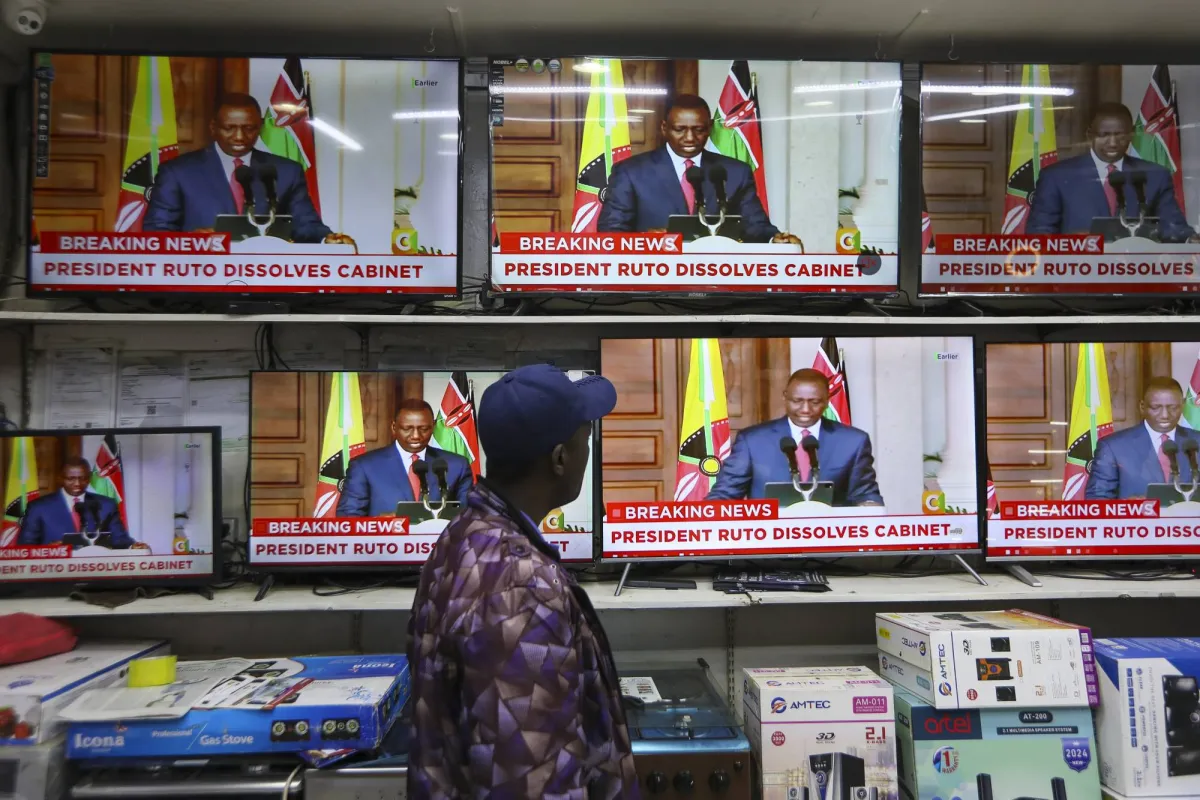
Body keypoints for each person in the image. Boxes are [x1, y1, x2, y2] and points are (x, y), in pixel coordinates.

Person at [408, 364, 638, 798]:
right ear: (560, 458)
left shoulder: (464, 531)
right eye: (586, 440)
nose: (588, 452)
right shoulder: (520, 586)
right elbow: (531, 779)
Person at [142, 93, 355, 245]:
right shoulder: (177, 172)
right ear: (213, 127)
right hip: (201, 278)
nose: (239, 137)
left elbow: (306, 224)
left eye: (249, 128)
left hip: (263, 279)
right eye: (229, 128)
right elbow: (155, 233)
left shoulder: (286, 172)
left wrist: (326, 239)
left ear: (260, 127)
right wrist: (191, 241)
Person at [597, 94, 801, 245]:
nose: (689, 138)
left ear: (709, 127)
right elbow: (610, 233)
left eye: (698, 130)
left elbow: (755, 225)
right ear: (664, 128)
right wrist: (645, 241)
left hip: (715, 276)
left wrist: (774, 239)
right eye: (680, 129)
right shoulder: (631, 172)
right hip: (655, 275)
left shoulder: (735, 172)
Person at [707, 368, 884, 505]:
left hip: (831, 537)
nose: (805, 409)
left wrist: (871, 507)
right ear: (785, 397)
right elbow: (724, 496)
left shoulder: (853, 442)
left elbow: (865, 495)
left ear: (827, 400)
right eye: (797, 401)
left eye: (815, 402)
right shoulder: (752, 441)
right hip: (768, 537)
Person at [1026, 103, 1195, 241]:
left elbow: (1174, 228)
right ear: (1090, 135)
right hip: (1079, 269)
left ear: (1131, 135)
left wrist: (1191, 240)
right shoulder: (1056, 177)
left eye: (1120, 135)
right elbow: (1039, 235)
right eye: (1104, 135)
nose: (1112, 143)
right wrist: (1074, 242)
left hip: (1134, 269)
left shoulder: (1155, 176)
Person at [337, 400, 473, 516]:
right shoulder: (364, 466)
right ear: (394, 427)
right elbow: (347, 519)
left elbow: (469, 518)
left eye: (424, 429)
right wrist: (379, 525)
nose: (416, 436)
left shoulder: (457, 466)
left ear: (433, 427)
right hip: (386, 539)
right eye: (407, 428)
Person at [1086, 377, 1200, 499]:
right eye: (1156, 408)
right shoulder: (1113, 447)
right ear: (1142, 406)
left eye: (1173, 408)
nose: (1165, 415)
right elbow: (1097, 499)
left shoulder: (1196, 442)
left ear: (1182, 405)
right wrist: (1129, 507)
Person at [18, 458, 142, 548]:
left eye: (82, 478)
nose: (77, 483)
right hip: (55, 571)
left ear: (89, 478)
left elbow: (120, 540)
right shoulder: (38, 507)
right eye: (71, 479)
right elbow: (25, 547)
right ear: (60, 479)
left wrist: (133, 547)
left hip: (94, 571)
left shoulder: (106, 505)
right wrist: (48, 550)